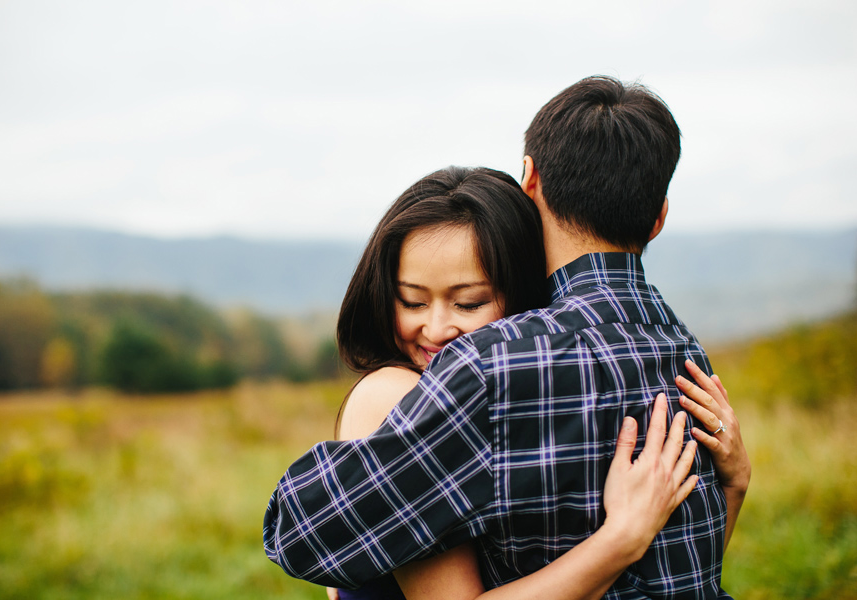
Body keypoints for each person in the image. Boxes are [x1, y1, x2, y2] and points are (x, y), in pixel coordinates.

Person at [265, 76, 751, 598]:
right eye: (412, 299)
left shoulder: (492, 368)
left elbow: (299, 533)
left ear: (530, 178)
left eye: (469, 301)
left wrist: (630, 536)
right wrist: (729, 487)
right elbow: (686, 577)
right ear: (658, 218)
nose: (438, 328)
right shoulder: (680, 352)